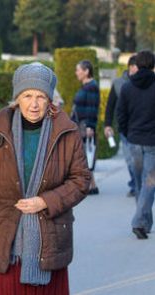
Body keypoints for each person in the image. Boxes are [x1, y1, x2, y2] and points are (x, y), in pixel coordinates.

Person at [0, 62, 90, 295]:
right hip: (6, 241)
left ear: (50, 100)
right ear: (17, 98)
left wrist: (46, 201)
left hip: (49, 242)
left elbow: (81, 180)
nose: (34, 104)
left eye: (40, 97)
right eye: (27, 96)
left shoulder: (67, 131)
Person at [117, 50, 155, 240]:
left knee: (141, 183)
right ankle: (140, 222)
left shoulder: (127, 87)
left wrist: (127, 133)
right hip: (152, 143)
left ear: (137, 64)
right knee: (150, 183)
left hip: (133, 140)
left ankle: (144, 223)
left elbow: (121, 115)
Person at [104, 55, 138, 197]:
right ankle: (135, 184)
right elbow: (110, 105)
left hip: (141, 127)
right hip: (124, 128)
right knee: (130, 159)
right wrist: (107, 124)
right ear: (130, 67)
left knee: (139, 159)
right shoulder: (118, 83)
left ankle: (137, 184)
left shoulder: (145, 83)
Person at [71, 60, 100, 195]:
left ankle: (90, 185)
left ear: (86, 71)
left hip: (84, 125)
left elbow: (92, 107)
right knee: (83, 155)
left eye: (78, 70)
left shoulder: (91, 87)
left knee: (84, 155)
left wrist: (90, 126)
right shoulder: (86, 86)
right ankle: (92, 186)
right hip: (80, 124)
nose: (76, 73)